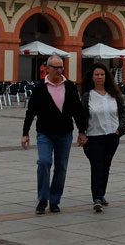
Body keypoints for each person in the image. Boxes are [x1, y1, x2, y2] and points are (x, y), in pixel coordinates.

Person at [21, 55, 86, 214]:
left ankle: (55, 200)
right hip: (45, 133)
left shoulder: (70, 86)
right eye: (56, 67)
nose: (59, 70)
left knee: (61, 167)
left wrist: (82, 131)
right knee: (43, 162)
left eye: (61, 67)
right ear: (47, 68)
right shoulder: (40, 87)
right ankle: (43, 198)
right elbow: (31, 111)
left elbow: (77, 110)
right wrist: (25, 133)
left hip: (65, 133)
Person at [80, 62, 125, 212]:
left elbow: (123, 114)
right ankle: (97, 198)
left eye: (102, 74)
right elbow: (81, 116)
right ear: (92, 77)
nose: (100, 77)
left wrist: (119, 130)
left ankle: (101, 195)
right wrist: (81, 132)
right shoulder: (87, 96)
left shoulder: (114, 94)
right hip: (93, 136)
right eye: (97, 75)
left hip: (111, 137)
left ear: (106, 76)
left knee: (106, 166)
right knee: (97, 165)